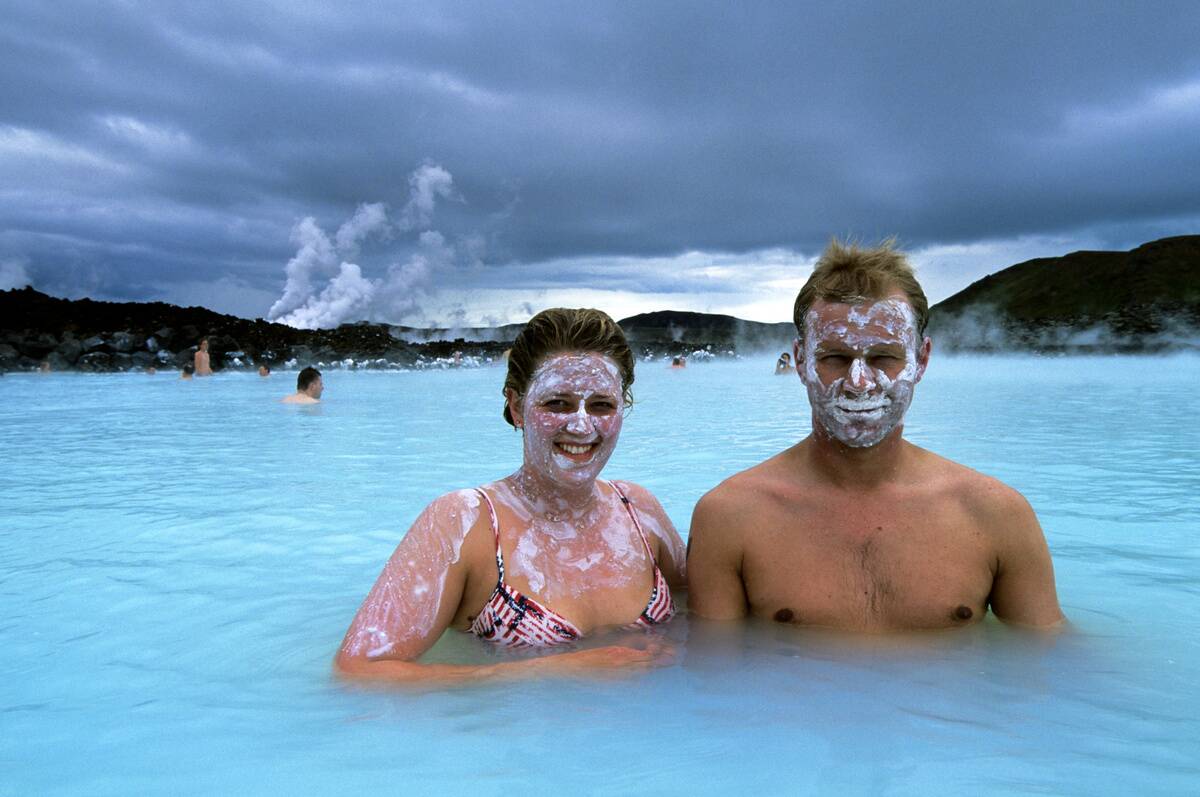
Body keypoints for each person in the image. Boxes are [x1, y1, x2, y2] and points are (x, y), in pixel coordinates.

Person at [687, 239, 1063, 631]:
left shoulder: (996, 514)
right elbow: (715, 676)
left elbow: (1045, 664)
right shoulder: (730, 517)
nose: (860, 383)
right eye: (835, 358)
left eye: (884, 357)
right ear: (800, 361)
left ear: (921, 360)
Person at [335, 308, 686, 683]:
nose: (582, 425)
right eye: (557, 403)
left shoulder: (638, 510)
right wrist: (556, 669)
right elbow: (359, 673)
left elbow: (709, 624)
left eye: (602, 405)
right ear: (517, 406)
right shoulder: (466, 522)